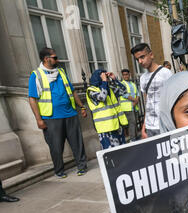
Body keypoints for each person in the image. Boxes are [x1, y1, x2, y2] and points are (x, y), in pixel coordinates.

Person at [28, 47, 88, 178]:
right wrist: (39, 120)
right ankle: (59, 170)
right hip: (51, 118)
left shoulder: (61, 72)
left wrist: (82, 107)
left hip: (70, 114)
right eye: (54, 57)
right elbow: (32, 99)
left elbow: (72, 91)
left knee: (77, 143)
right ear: (46, 59)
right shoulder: (36, 75)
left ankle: (82, 166)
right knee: (55, 146)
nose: (57, 59)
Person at [131, 43, 172, 138]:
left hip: (164, 124)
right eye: (137, 59)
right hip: (150, 126)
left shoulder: (165, 73)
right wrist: (143, 127)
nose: (140, 61)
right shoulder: (142, 78)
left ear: (151, 55)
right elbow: (147, 103)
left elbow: (173, 99)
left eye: (142, 57)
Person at [86, 69, 128, 149]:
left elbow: (124, 91)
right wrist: (104, 81)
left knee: (122, 150)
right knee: (110, 153)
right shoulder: (91, 90)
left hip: (117, 125)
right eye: (103, 76)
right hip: (105, 128)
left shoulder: (109, 88)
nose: (105, 77)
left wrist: (115, 79)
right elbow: (102, 97)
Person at [119, 69, 139, 142]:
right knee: (132, 122)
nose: (125, 76)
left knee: (135, 122)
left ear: (129, 74)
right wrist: (135, 100)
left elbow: (138, 93)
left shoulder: (133, 84)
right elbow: (125, 95)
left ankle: (136, 137)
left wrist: (136, 101)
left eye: (126, 74)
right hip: (127, 107)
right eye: (124, 75)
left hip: (134, 106)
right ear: (122, 76)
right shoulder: (121, 84)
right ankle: (132, 139)